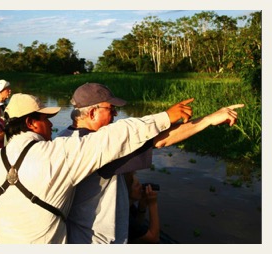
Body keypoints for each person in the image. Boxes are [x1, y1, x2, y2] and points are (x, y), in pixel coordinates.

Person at [0, 90, 242, 244]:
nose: (116, 114)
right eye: (111, 109)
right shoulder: (70, 152)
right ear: (32, 123)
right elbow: (146, 139)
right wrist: (202, 120)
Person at [57, 82, 244, 244]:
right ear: (91, 113)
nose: (115, 114)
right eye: (110, 109)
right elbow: (161, 139)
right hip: (99, 241)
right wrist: (208, 119)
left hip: (77, 235)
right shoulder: (99, 149)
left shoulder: (62, 139)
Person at [125, 173, 160, 243]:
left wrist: (142, 205)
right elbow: (154, 238)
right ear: (127, 191)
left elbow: (138, 225)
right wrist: (153, 204)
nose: (141, 187)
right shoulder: (123, 214)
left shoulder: (128, 205)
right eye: (137, 185)